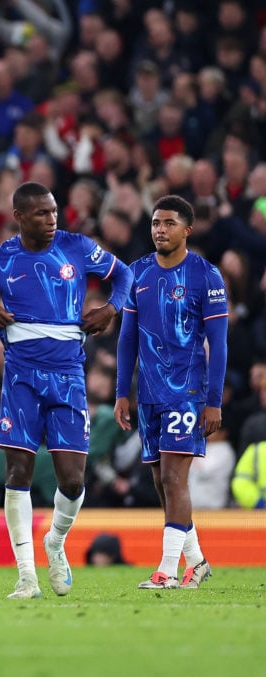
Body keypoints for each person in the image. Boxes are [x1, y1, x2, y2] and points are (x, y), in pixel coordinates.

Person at [0, 182, 133, 599]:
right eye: (41, 213)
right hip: (20, 376)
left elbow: (125, 275)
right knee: (17, 472)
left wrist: (110, 309)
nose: (52, 220)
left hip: (69, 375)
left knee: (72, 481)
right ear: (19, 216)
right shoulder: (1, 258)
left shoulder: (76, 247)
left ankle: (54, 543)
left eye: (54, 211)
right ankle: (26, 576)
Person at [114, 195, 227, 590]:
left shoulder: (206, 275)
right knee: (162, 482)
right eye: (155, 223)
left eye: (169, 223)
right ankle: (196, 561)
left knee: (175, 478)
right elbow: (127, 337)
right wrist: (121, 392)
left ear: (187, 230)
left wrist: (213, 400)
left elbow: (220, 344)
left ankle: (167, 571)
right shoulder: (137, 272)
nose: (160, 229)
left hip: (187, 391)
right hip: (148, 393)